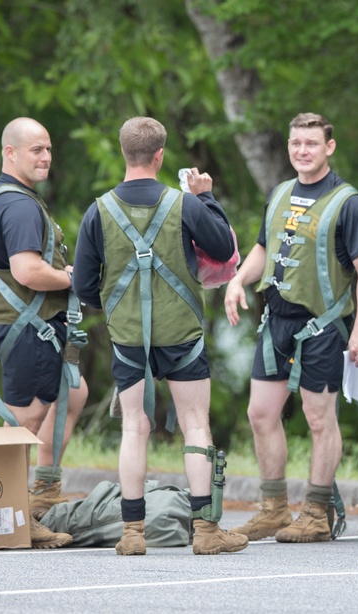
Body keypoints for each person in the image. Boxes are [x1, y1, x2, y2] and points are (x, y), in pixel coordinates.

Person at [72, 116, 247, 556]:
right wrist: (206, 198)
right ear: (160, 156)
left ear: (124, 152)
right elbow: (225, 252)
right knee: (195, 425)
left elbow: (84, 288)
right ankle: (206, 532)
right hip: (182, 334)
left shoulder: (98, 210)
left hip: (129, 338)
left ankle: (132, 533)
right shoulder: (184, 205)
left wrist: (117, 306)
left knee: (135, 425)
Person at [224, 112, 358, 543]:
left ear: (329, 147)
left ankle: (315, 512)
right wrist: (238, 280)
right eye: (296, 144)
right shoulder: (279, 194)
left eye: (311, 144)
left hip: (323, 328)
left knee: (318, 418)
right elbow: (262, 248)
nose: (302, 151)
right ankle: (274, 509)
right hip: (276, 324)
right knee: (260, 414)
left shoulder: (349, 202)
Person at [0, 117, 89, 549]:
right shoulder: (19, 206)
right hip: (28, 330)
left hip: (29, 329)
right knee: (23, 424)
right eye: (36, 150)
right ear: (10, 153)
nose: (45, 158)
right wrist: (74, 278)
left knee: (72, 395)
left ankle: (43, 492)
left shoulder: (8, 199)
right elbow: (28, 271)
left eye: (48, 149)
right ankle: (10, 515)